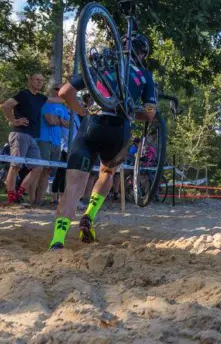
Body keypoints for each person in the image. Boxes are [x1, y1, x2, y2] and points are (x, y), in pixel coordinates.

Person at [48, 33, 156, 250]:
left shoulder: (101, 66)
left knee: (73, 188)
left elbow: (65, 92)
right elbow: (150, 114)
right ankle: (90, 213)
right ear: (142, 53)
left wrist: (82, 111)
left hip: (92, 124)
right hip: (119, 130)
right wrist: (130, 112)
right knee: (107, 173)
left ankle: (58, 240)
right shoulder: (145, 75)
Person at [2, 73, 63, 204]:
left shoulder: (40, 97)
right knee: (16, 166)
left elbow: (59, 100)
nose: (39, 82)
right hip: (20, 134)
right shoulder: (23, 94)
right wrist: (13, 120)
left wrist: (71, 92)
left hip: (32, 137)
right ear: (30, 81)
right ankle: (11, 196)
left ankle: (19, 193)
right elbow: (6, 105)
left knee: (38, 167)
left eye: (41, 80)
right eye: (37, 80)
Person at [36, 83, 70, 206]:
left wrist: (59, 120)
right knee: (39, 169)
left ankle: (38, 200)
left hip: (57, 143)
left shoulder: (64, 108)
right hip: (44, 140)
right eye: (59, 89)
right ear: (54, 91)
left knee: (48, 172)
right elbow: (50, 121)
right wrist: (61, 121)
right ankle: (32, 198)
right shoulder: (46, 103)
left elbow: (68, 124)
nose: (61, 92)